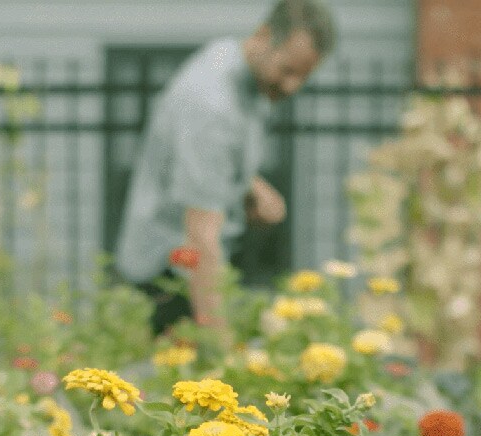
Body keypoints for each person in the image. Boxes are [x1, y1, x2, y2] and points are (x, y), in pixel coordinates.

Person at [114, 0, 336, 342]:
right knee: (187, 386)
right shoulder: (212, 107)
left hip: (189, 264)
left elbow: (205, 156)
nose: (292, 86)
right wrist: (219, 339)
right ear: (263, 37)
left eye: (303, 76)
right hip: (172, 275)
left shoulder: (230, 57)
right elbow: (200, 239)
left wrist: (251, 185)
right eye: (288, 70)